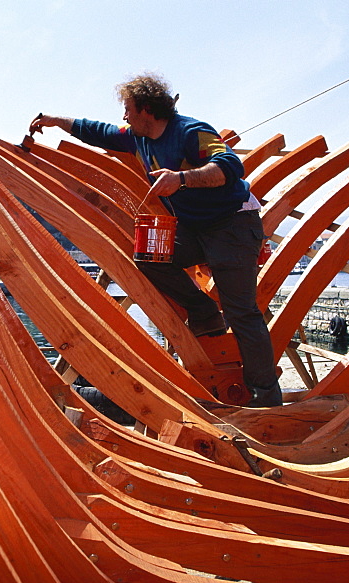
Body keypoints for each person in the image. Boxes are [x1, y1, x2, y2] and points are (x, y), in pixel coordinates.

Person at [29, 72, 282, 407]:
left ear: (147, 109)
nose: (124, 116)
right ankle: (203, 310)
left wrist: (183, 178)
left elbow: (230, 165)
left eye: (129, 109)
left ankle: (266, 397)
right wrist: (55, 121)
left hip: (232, 224)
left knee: (241, 312)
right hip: (196, 229)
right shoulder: (138, 138)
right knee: (149, 255)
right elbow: (98, 131)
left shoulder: (191, 132)